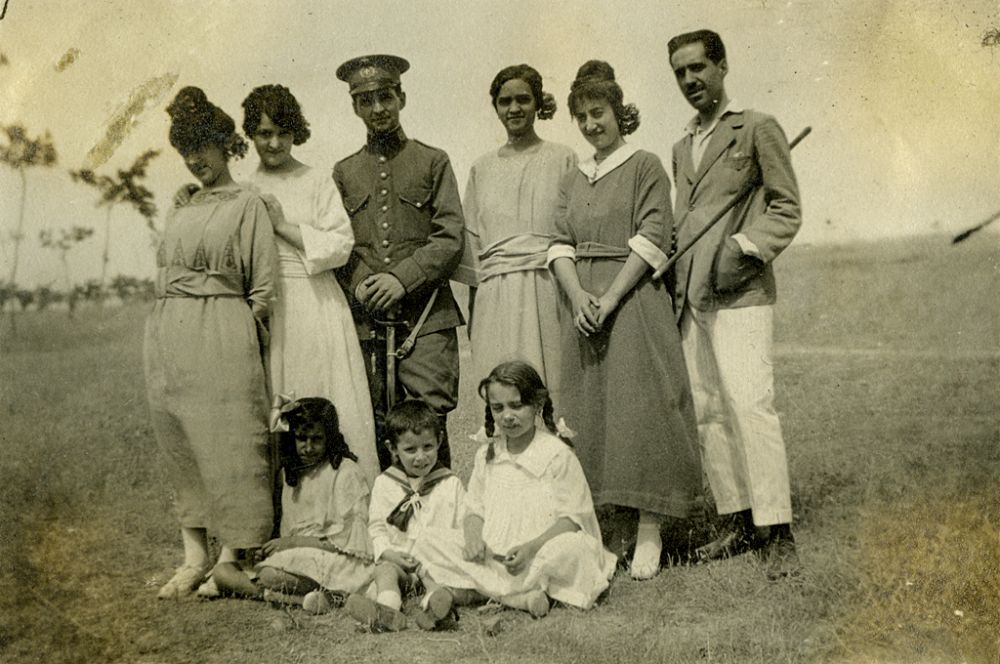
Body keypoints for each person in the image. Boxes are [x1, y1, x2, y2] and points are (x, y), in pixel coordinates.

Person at [547, 61, 701, 580]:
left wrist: (608, 299)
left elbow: (656, 235)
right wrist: (578, 295)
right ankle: (609, 526)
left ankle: (651, 530)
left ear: (620, 113)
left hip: (631, 300)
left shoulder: (645, 165)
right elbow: (558, 242)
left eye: (600, 113)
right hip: (582, 305)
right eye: (583, 117)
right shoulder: (573, 176)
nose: (592, 124)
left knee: (641, 411)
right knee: (593, 413)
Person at [666, 30, 802, 577]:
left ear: (722, 66)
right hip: (692, 296)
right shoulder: (681, 146)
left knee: (750, 406)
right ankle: (738, 521)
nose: (690, 80)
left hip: (740, 293)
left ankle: (778, 529)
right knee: (708, 411)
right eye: (679, 72)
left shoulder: (757, 126)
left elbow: (787, 210)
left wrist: (743, 247)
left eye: (698, 67)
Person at [146, 86, 276, 599]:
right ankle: (194, 556)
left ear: (227, 145)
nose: (196, 160)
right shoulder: (181, 204)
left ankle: (231, 556)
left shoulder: (249, 204)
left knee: (229, 440)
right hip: (168, 330)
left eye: (204, 147)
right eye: (186, 151)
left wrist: (241, 335)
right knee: (180, 442)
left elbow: (262, 288)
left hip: (223, 329)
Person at [333, 54, 465, 470]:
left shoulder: (433, 161)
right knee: (374, 424)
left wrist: (401, 280)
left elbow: (450, 237)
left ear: (402, 98)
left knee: (428, 426)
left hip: (426, 321)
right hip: (368, 320)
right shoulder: (343, 172)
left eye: (386, 97)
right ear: (355, 107)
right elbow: (337, 244)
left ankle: (441, 525)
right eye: (366, 100)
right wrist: (363, 284)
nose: (378, 109)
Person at [242, 84, 378, 485]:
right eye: (264, 133)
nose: (274, 142)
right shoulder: (245, 189)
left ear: (295, 132)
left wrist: (283, 225)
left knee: (326, 392)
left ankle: (344, 502)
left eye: (283, 133)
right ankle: (290, 511)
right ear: (251, 133)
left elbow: (340, 244)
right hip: (270, 308)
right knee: (279, 400)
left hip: (315, 301)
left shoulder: (315, 180)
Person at [413, 362, 617, 617]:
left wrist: (531, 548)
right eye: (498, 408)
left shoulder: (556, 454)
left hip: (537, 550)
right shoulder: (487, 454)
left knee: (570, 550)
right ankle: (520, 599)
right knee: (427, 538)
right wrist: (475, 538)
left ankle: (470, 590)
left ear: (537, 405)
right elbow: (473, 509)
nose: (507, 416)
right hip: (493, 550)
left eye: (517, 405)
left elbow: (574, 519)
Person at [454, 64, 577, 409]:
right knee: (501, 388)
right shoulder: (481, 168)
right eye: (505, 101)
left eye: (524, 99)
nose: (514, 108)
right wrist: (477, 316)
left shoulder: (563, 158)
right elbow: (473, 244)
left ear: (537, 103)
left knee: (549, 388)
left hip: (548, 287)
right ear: (495, 107)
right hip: (495, 295)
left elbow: (573, 230)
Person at [344, 399, 468, 632]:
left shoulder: (450, 483)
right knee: (385, 572)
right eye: (410, 450)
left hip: (438, 564)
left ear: (439, 441)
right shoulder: (385, 483)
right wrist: (390, 553)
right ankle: (387, 611)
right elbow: (377, 527)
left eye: (428, 447)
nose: (420, 457)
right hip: (402, 563)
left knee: (443, 585)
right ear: (393, 449)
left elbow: (462, 528)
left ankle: (435, 609)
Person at [252, 397, 374, 613]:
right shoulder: (291, 474)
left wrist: (291, 543)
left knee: (269, 575)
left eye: (317, 439)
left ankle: (316, 596)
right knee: (256, 571)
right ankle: (315, 598)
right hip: (302, 554)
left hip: (340, 558)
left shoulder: (345, 472)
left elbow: (348, 544)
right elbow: (289, 531)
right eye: (302, 439)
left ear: (330, 438)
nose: (308, 448)